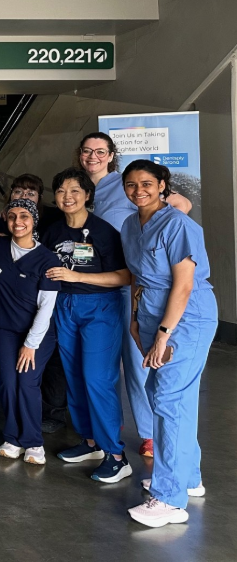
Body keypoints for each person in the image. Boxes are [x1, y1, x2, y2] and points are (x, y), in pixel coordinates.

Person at [121, 161, 217, 529]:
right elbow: (136, 276)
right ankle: (187, 476)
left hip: (185, 318)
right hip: (148, 313)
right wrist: (134, 318)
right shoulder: (131, 225)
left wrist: (162, 334)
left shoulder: (178, 224)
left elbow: (184, 284)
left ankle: (170, 498)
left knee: (167, 400)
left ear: (163, 185)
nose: (138, 190)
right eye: (131, 185)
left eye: (147, 183)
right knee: (172, 396)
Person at [41, 168, 132, 482]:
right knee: (74, 376)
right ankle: (90, 441)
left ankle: (117, 456)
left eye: (75, 191)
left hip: (100, 308)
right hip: (64, 307)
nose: (68, 197)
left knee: (97, 378)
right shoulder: (53, 232)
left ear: (88, 195)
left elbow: (124, 276)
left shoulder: (104, 232)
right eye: (62, 191)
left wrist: (78, 277)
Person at [76, 132, 153, 457]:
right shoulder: (80, 187)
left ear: (110, 155)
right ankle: (108, 425)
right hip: (92, 290)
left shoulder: (124, 184)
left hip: (125, 287)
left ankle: (149, 433)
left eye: (100, 151)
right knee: (102, 365)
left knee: (135, 362)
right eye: (87, 151)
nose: (92, 156)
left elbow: (181, 203)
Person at [0, 200, 61, 465]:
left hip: (37, 334)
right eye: (11, 216)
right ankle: (13, 436)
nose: (17, 221)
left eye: (24, 216)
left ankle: (33, 441)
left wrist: (30, 344)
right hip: (5, 329)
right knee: (7, 383)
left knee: (27, 381)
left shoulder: (47, 259)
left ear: (34, 221)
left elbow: (46, 307)